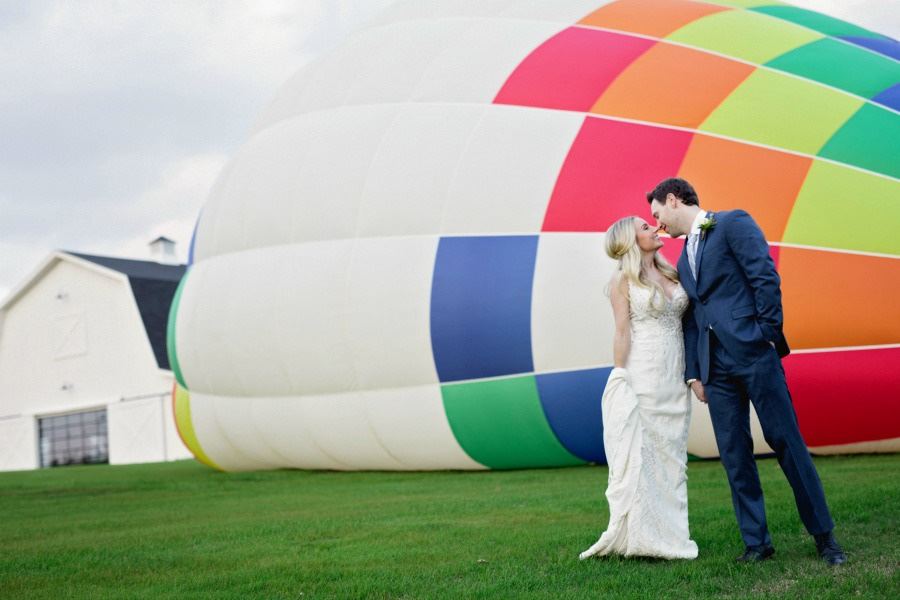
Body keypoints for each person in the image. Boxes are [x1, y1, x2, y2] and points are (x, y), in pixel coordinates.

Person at [646, 177, 846, 565]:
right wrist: (694, 373)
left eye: (657, 214)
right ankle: (757, 543)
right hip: (714, 370)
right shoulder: (683, 254)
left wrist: (766, 335)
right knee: (734, 456)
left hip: (754, 353)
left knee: (786, 442)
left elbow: (764, 276)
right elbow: (690, 317)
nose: (657, 224)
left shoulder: (732, 223)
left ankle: (825, 537)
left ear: (672, 200)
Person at [579, 216, 698, 561]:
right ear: (632, 241)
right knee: (644, 455)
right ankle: (644, 536)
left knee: (672, 456)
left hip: (674, 375)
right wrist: (619, 376)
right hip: (643, 373)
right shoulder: (622, 281)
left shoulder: (673, 273)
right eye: (645, 227)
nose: (654, 229)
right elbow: (622, 331)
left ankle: (673, 534)